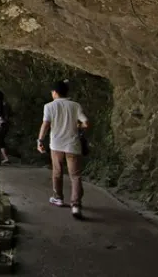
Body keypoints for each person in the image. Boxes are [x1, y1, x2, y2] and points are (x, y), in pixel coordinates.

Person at [37, 80, 88, 219]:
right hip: (72, 145)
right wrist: (78, 126)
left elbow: (45, 124)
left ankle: (58, 198)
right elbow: (86, 123)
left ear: (55, 92)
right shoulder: (75, 105)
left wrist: (40, 140)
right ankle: (76, 205)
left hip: (56, 145)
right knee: (75, 176)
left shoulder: (49, 106)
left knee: (57, 172)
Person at [0, 90, 10, 164]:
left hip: (1, 124)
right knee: (1, 141)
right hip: (5, 124)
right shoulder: (5, 104)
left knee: (0, 142)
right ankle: (4, 157)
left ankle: (5, 158)